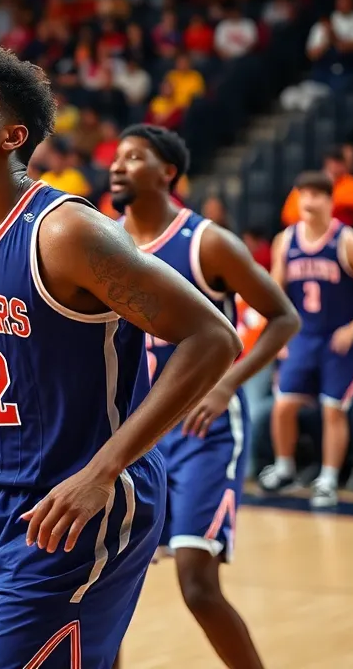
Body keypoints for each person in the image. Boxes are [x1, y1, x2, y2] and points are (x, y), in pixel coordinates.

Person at [0, 43, 242, 669]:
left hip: (69, 499)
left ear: (12, 137)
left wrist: (103, 471)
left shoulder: (66, 232)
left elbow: (213, 337)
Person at [109, 125, 299, 669]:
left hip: (201, 431)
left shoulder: (206, 242)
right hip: (131, 434)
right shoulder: (102, 241)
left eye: (134, 157)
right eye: (117, 157)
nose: (118, 166)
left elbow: (283, 317)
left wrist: (227, 383)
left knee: (197, 584)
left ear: (167, 173)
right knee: (101, 587)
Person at [259, 171, 353, 508]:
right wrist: (278, 331)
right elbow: (276, 291)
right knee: (283, 405)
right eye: (303, 193)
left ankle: (328, 479)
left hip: (337, 339)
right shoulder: (286, 240)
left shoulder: (347, 241)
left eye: (316, 194)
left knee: (333, 410)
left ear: (330, 201)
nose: (308, 200)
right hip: (302, 335)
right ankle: (285, 468)